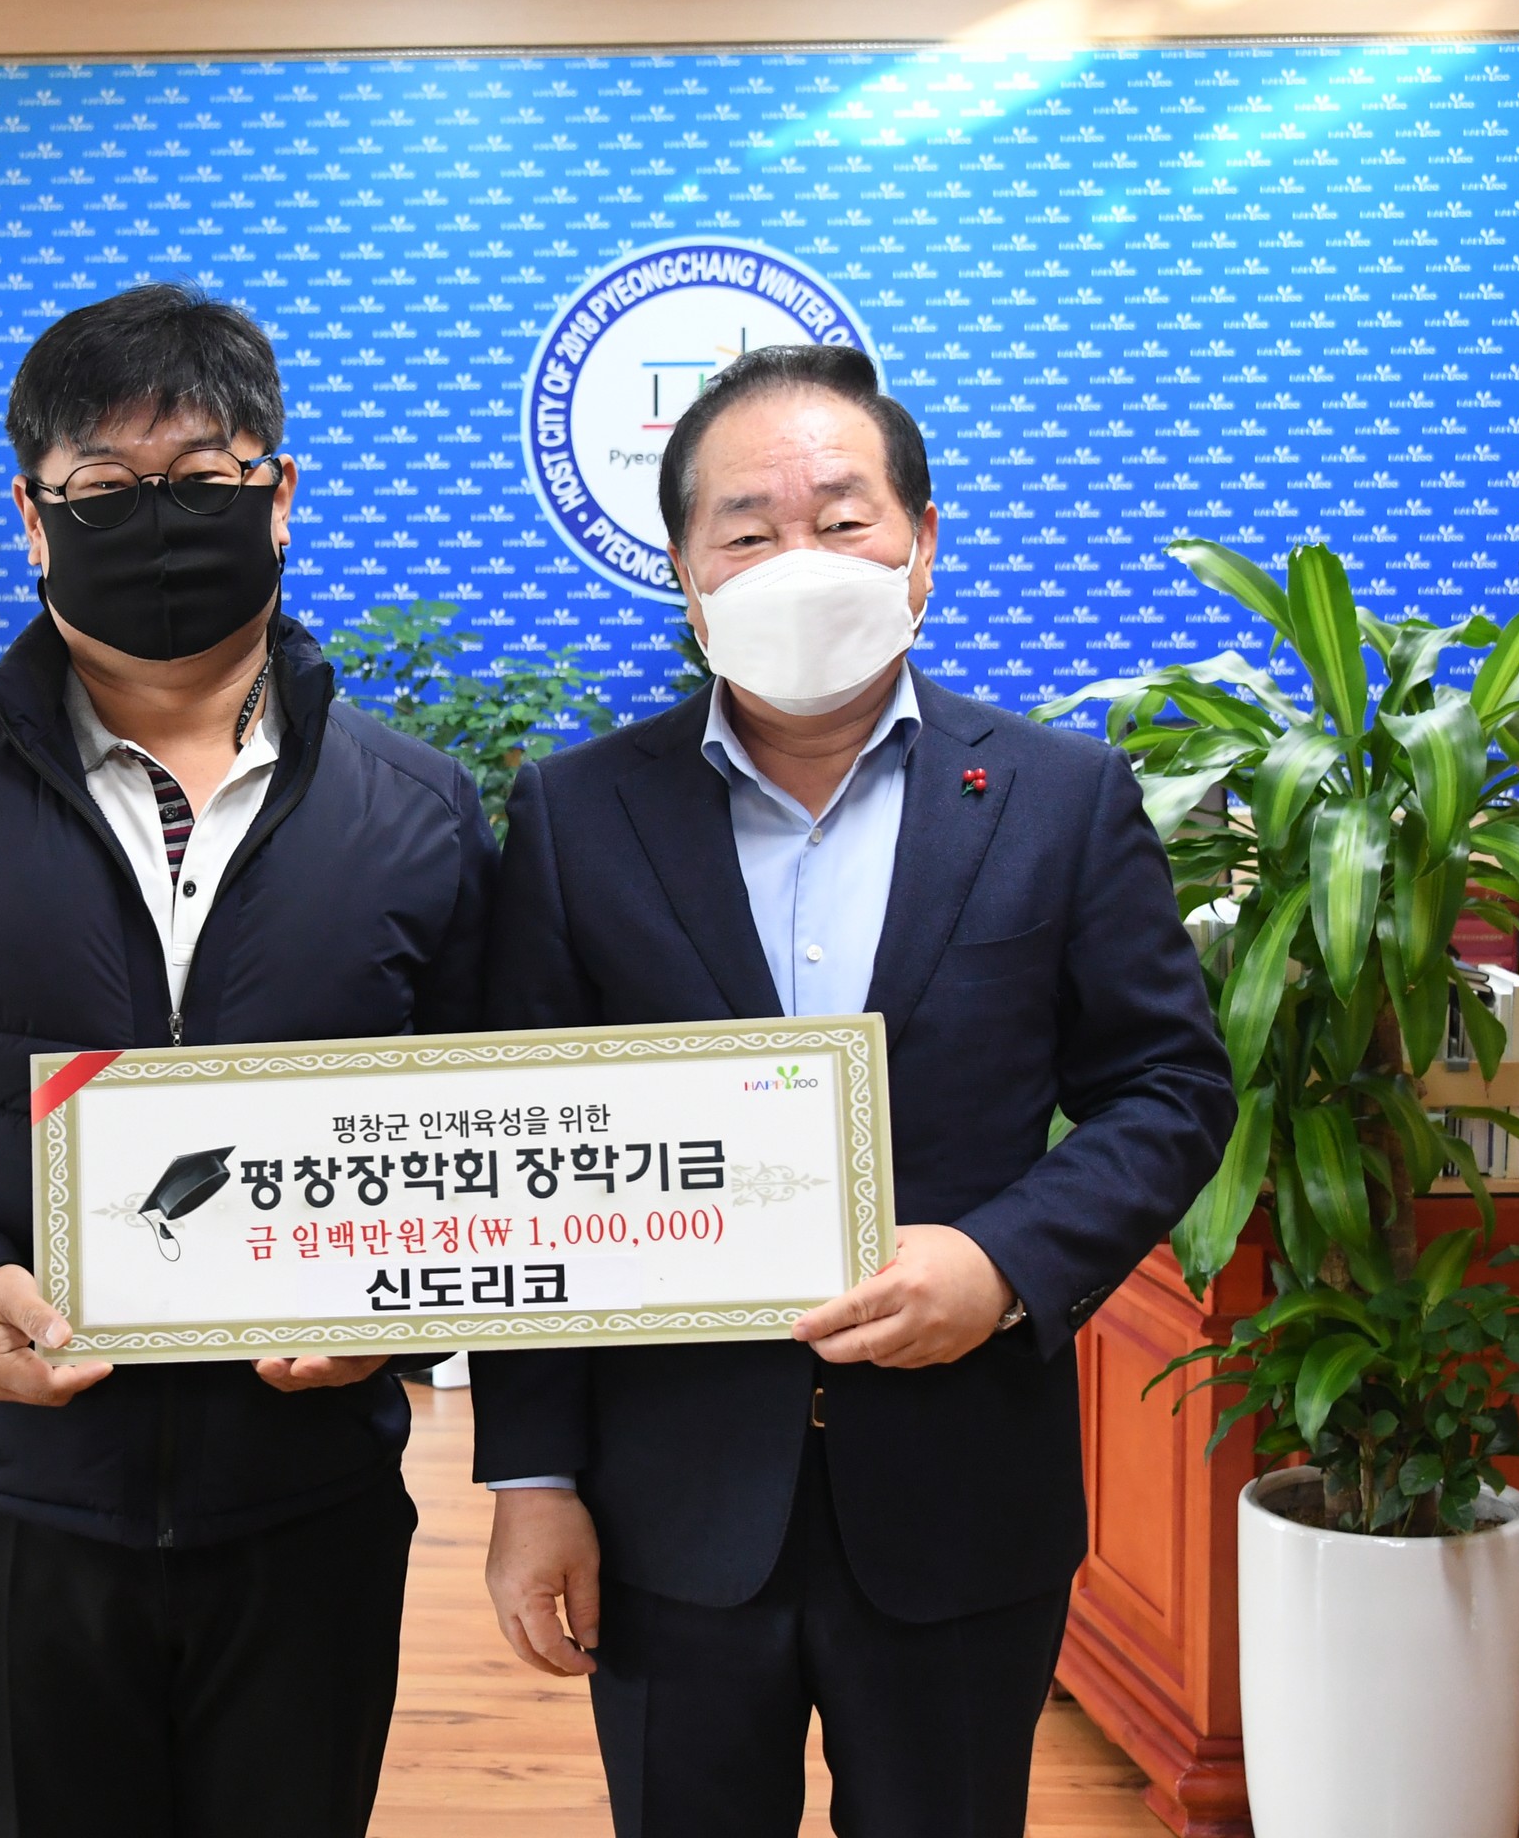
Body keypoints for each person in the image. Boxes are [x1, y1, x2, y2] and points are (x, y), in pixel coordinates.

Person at [0, 283, 494, 1838]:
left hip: (310, 1501)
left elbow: (485, 1120)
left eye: (200, 480)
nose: (154, 520)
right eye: (101, 489)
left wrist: (404, 1318)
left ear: (279, 493)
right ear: (31, 516)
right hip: (17, 1489)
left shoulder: (417, 811)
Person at [471, 344, 1232, 1837]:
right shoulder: (579, 814)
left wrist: (1003, 1263)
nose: (798, 560)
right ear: (686, 574)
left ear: (922, 545)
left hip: (961, 1500)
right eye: (747, 531)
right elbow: (524, 1154)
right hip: (672, 1511)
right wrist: (533, 1477)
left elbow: (1168, 1087)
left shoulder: (1059, 798)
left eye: (840, 519)